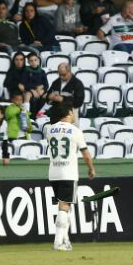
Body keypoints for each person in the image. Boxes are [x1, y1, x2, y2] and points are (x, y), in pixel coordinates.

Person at [43, 102, 95, 252]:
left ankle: (66, 240)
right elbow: (86, 154)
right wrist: (91, 168)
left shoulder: (49, 130)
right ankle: (58, 242)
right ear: (67, 113)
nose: (74, 115)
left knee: (64, 206)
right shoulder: (75, 131)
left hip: (53, 172)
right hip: (68, 172)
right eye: (72, 112)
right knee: (64, 206)